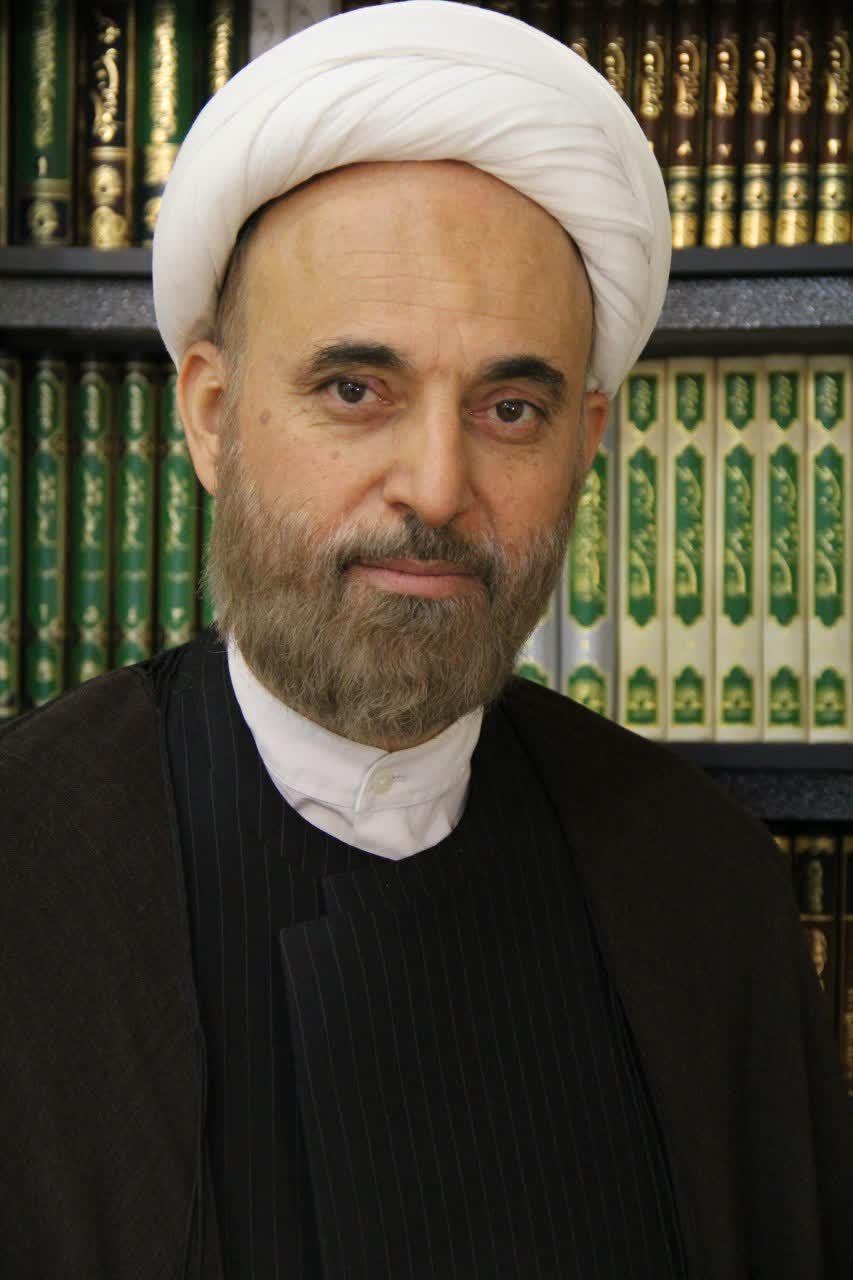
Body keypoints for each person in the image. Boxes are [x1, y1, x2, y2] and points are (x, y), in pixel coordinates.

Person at [1, 4, 851, 1278]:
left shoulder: (701, 881)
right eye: (356, 390)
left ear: (585, 445)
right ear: (213, 416)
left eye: (510, 408)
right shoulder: (26, 869)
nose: (439, 488)